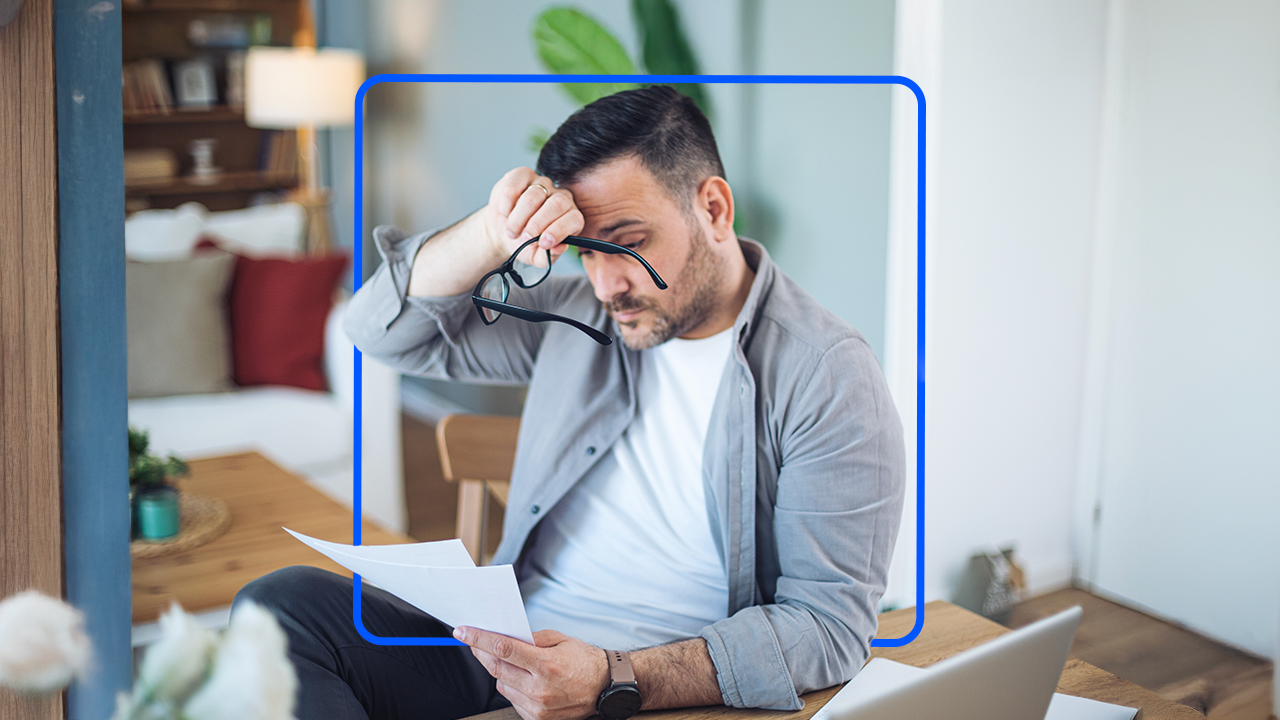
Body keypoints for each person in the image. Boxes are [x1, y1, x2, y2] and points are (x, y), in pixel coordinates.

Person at [236, 85, 905, 720]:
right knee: (279, 607)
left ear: (715, 209)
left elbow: (828, 630)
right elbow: (378, 330)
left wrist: (616, 676)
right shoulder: (584, 313)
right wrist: (494, 233)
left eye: (630, 242)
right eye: (586, 251)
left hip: (661, 688)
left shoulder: (826, 374)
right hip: (507, 650)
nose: (607, 283)